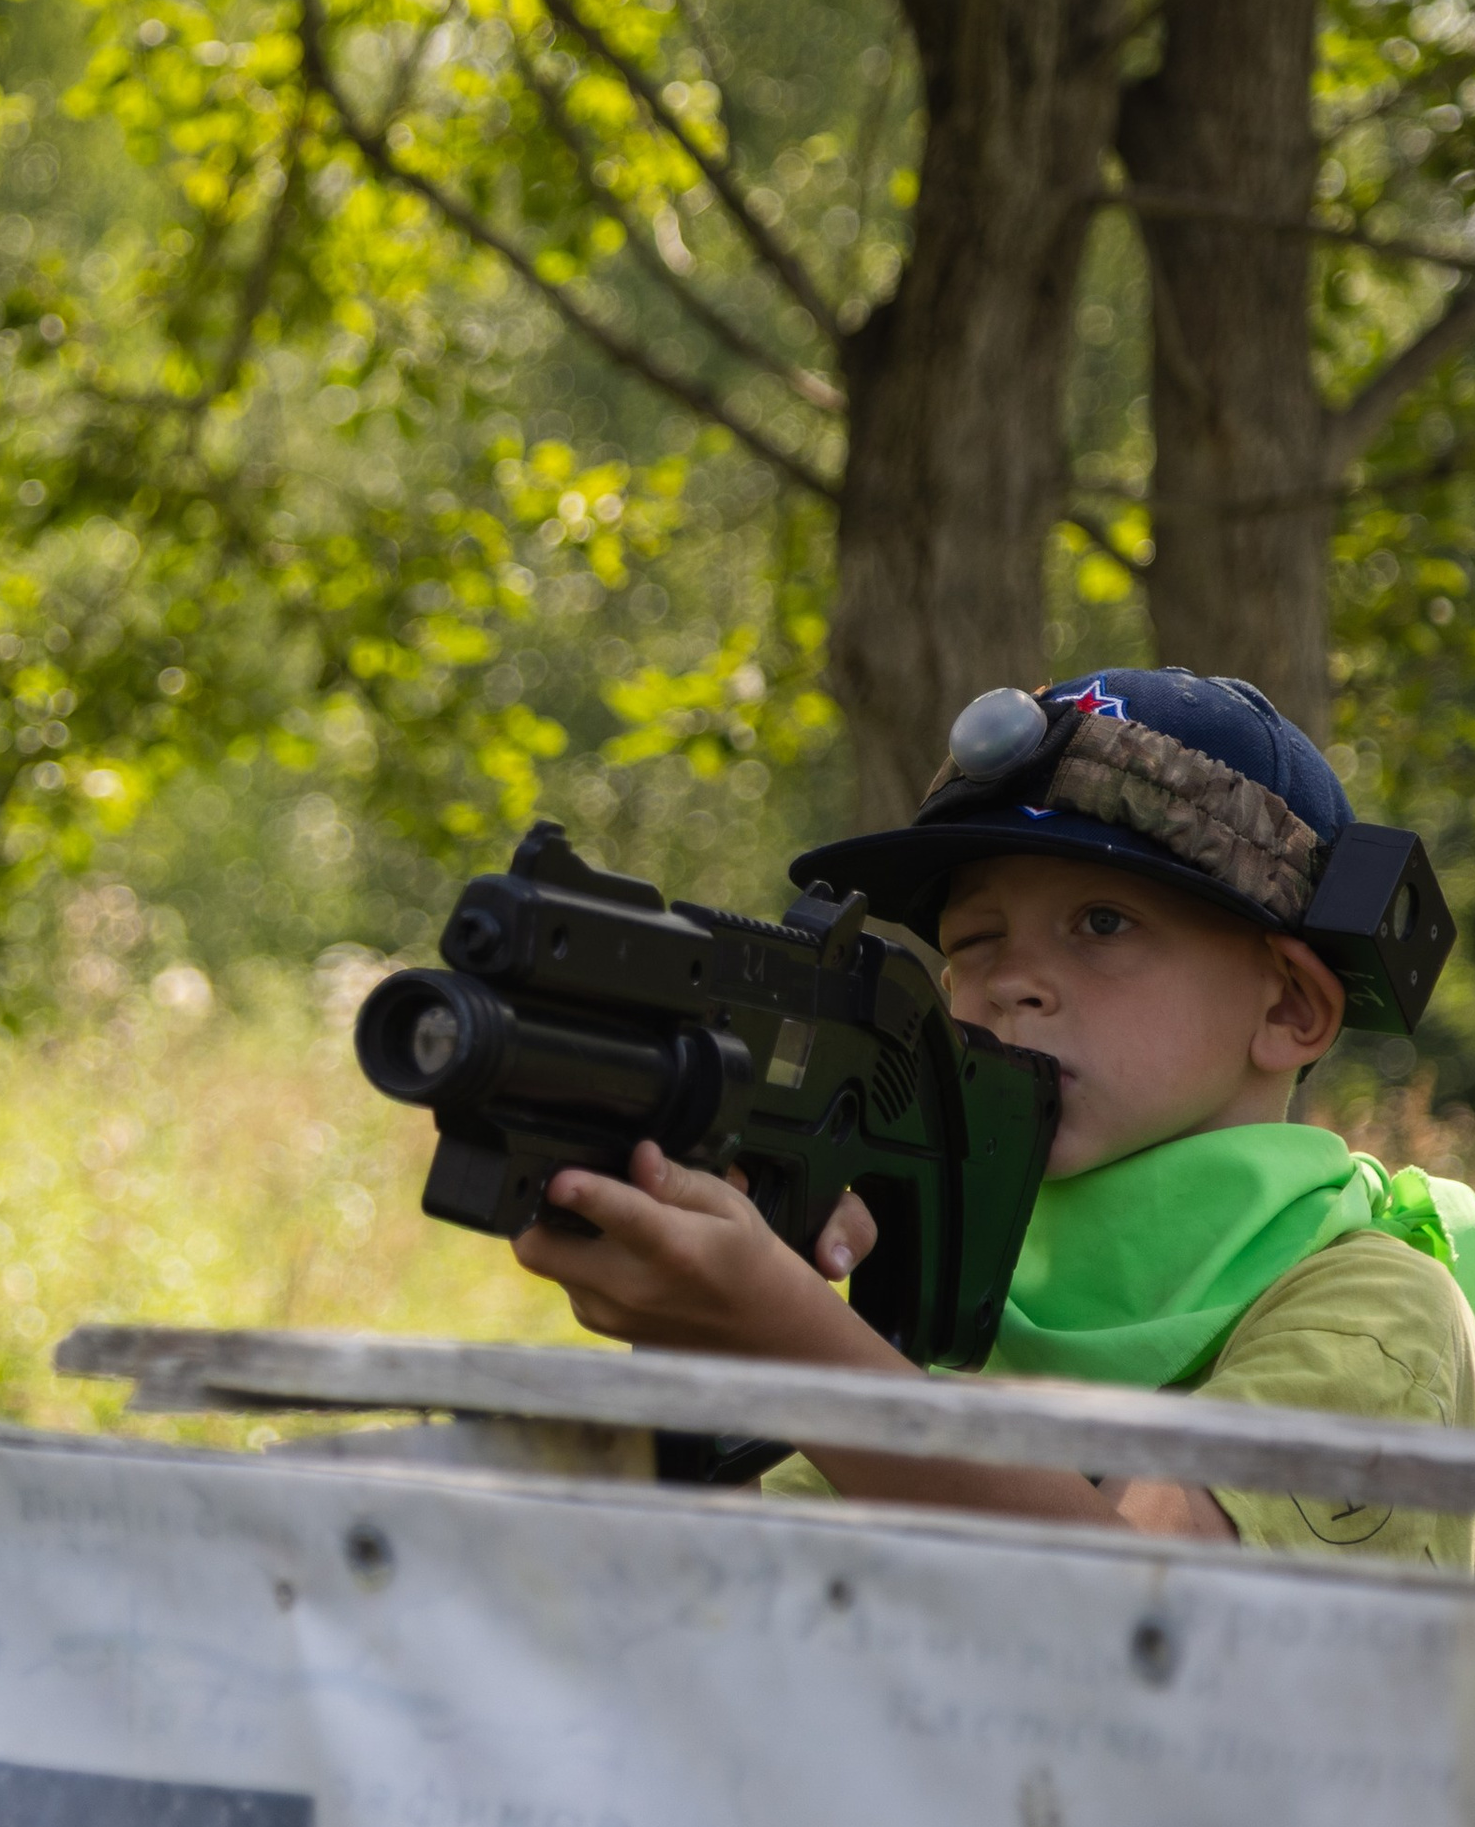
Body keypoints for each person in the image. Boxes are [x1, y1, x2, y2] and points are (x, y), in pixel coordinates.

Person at [512, 667, 1475, 1565]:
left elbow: (1144, 1614)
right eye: (976, 939)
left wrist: (794, 1336)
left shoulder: (1373, 1309)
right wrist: (708, 1348)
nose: (1012, 981)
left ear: (1288, 1009)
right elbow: (749, 1602)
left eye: (1103, 923)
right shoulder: (965, 1293)